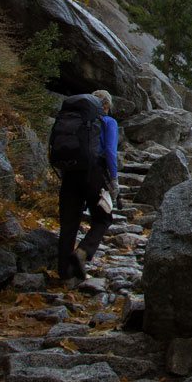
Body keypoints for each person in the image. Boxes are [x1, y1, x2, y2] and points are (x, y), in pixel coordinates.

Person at [57, 90, 120, 283]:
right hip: (94, 174)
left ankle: (64, 275)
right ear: (107, 106)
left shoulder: (72, 119)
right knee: (103, 218)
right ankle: (83, 251)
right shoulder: (108, 122)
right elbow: (110, 151)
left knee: (69, 223)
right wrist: (114, 180)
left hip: (70, 172)